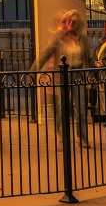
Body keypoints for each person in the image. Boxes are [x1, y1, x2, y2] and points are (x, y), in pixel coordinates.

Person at [34, 8, 92, 145]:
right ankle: (62, 135)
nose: (70, 23)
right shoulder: (58, 37)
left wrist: (91, 75)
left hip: (78, 76)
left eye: (73, 21)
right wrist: (32, 71)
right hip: (61, 77)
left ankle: (81, 137)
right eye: (68, 20)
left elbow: (87, 59)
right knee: (62, 107)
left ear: (78, 23)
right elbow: (45, 54)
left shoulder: (82, 39)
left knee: (81, 108)